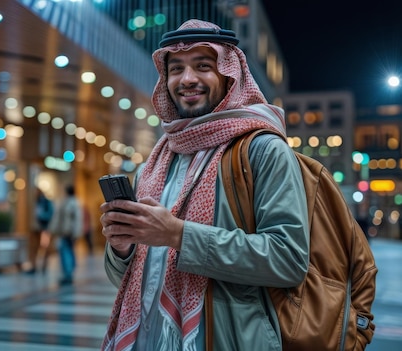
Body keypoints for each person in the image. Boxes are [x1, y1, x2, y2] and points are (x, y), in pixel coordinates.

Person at [99, 19, 309, 350]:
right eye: (176, 68)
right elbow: (131, 279)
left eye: (203, 66)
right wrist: (122, 246)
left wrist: (177, 235)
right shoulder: (155, 163)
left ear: (229, 75)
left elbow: (288, 261)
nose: (187, 79)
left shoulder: (262, 150)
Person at [48, 184, 83, 285]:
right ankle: (68, 273)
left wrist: (76, 233)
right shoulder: (65, 202)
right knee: (66, 252)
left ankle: (68, 274)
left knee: (66, 252)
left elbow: (77, 220)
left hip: (69, 232)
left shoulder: (74, 203)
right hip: (63, 232)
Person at [26, 188, 54, 274]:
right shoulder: (35, 202)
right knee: (33, 248)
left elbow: (50, 213)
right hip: (35, 229)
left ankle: (44, 266)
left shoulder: (46, 202)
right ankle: (34, 266)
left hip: (44, 229)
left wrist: (41, 216)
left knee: (46, 249)